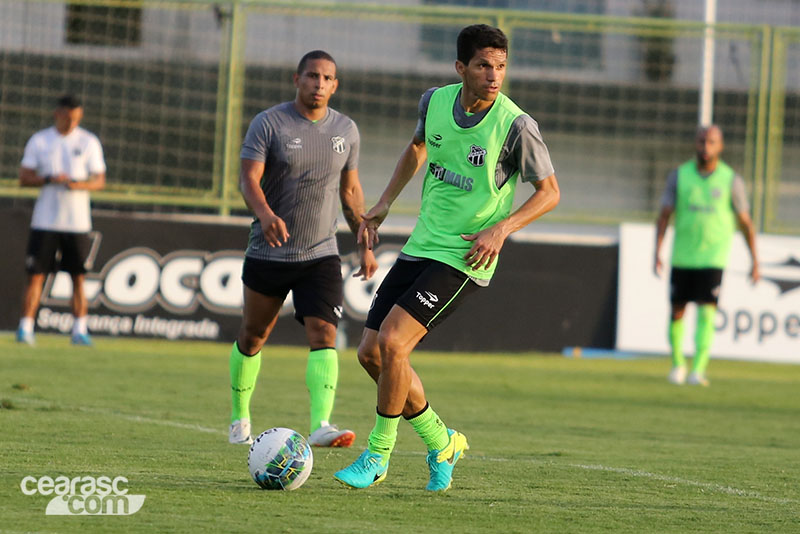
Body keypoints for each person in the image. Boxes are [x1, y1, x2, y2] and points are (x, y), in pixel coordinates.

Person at [333, 24, 560, 491]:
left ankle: (378, 455)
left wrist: (501, 229)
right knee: (370, 354)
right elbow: (417, 147)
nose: (493, 75)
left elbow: (550, 193)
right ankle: (443, 442)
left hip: (464, 255)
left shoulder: (516, 125)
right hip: (422, 245)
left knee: (394, 344)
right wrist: (385, 203)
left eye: (500, 66)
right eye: (483, 65)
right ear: (461, 68)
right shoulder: (434, 102)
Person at [228, 50, 378, 447]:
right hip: (269, 251)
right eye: (312, 76)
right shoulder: (269, 123)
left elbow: (350, 192)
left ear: (335, 85)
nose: (319, 84)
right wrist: (264, 214)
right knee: (254, 335)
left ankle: (321, 425)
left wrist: (363, 240)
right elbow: (248, 179)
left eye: (327, 78)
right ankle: (239, 417)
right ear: (297, 79)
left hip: (320, 253)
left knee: (324, 331)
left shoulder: (346, 130)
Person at [654, 125, 759, 387]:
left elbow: (746, 223)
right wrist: (657, 251)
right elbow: (665, 215)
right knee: (677, 311)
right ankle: (678, 364)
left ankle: (697, 369)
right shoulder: (679, 176)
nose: (705, 147)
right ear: (695, 144)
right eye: (702, 141)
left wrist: (755, 260)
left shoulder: (730, 179)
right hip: (683, 256)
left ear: (720, 146)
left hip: (713, 257)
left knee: (707, 312)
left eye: (711, 142)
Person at [16, 94, 106, 347]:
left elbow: (99, 180)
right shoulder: (41, 140)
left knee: (78, 276)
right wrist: (49, 179)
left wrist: (81, 185)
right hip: (45, 220)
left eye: (76, 119)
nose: (71, 124)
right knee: (36, 275)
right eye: (68, 118)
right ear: (58, 114)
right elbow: (24, 177)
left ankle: (79, 330)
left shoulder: (88, 141)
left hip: (77, 223)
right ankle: (26, 328)